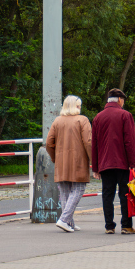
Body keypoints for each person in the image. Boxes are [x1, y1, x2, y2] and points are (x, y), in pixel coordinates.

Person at [92, 88, 135, 234]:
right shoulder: (125, 115)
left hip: (105, 163)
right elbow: (129, 141)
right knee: (125, 194)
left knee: (107, 195)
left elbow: (95, 144)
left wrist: (95, 167)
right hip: (122, 163)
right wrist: (133, 163)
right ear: (119, 99)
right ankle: (126, 225)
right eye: (123, 100)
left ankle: (109, 226)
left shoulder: (98, 117)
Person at [44, 94, 92, 233]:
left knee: (65, 191)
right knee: (78, 189)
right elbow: (88, 142)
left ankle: (69, 222)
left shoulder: (57, 121)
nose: (80, 108)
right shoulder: (82, 120)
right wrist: (93, 160)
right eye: (79, 106)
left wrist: (55, 158)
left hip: (61, 161)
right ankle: (64, 220)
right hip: (78, 161)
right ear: (75, 106)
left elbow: (49, 143)